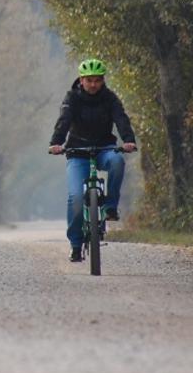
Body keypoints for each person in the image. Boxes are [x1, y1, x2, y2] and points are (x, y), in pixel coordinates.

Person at [48, 58, 136, 262]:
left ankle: (110, 207)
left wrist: (128, 140)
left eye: (97, 80)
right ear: (81, 80)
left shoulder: (110, 98)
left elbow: (121, 118)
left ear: (103, 80)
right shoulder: (72, 98)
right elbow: (64, 120)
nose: (93, 84)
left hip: (104, 148)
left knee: (117, 161)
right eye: (89, 80)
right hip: (77, 151)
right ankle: (75, 245)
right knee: (76, 197)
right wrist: (56, 142)